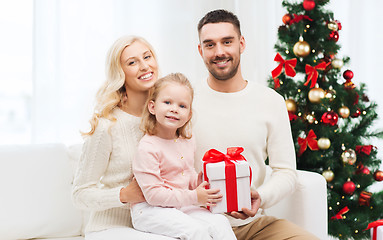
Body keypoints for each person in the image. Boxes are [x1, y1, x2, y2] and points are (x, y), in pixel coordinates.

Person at [193, 9, 320, 240]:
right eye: (210, 45)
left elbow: (286, 172)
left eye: (227, 42)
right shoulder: (184, 101)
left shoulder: (271, 101)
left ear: (241, 44)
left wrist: (260, 196)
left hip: (253, 226)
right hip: (196, 225)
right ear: (201, 51)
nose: (219, 52)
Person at [71, 35, 175, 240]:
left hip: (157, 223)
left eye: (147, 57)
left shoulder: (168, 119)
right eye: (132, 62)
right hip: (110, 228)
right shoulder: (107, 126)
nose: (144, 66)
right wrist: (124, 195)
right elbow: (79, 194)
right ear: (120, 73)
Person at [131, 73, 237, 240]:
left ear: (188, 115)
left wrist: (201, 181)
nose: (174, 109)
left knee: (220, 223)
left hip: (180, 204)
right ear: (152, 107)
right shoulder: (148, 147)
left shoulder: (187, 140)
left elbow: (187, 176)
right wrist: (195, 196)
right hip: (149, 210)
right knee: (196, 231)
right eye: (167, 102)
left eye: (182, 106)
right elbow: (153, 195)